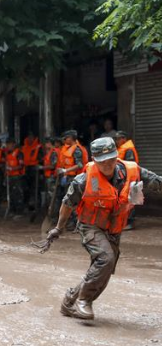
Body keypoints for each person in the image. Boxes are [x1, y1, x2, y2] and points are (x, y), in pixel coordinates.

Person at [46, 137, 162, 320]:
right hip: (90, 225)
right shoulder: (82, 180)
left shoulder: (133, 171)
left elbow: (157, 182)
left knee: (103, 269)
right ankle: (83, 300)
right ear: (94, 160)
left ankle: (69, 302)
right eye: (103, 161)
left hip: (114, 228)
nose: (108, 165)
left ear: (116, 157)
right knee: (105, 259)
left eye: (111, 159)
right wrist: (58, 229)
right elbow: (67, 205)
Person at [57, 130, 89, 229]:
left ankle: (76, 222)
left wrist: (65, 170)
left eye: (66, 138)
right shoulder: (68, 148)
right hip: (69, 177)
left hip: (76, 178)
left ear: (71, 138)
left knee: (74, 200)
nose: (64, 140)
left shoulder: (76, 150)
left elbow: (79, 165)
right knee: (69, 200)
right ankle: (72, 222)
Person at [114, 130, 140, 230]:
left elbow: (129, 165)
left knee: (131, 199)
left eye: (118, 139)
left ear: (123, 139)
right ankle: (124, 221)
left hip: (130, 178)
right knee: (124, 199)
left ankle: (130, 222)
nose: (116, 141)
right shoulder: (121, 149)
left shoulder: (128, 150)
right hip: (124, 178)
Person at [21, 132, 42, 210]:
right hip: (26, 169)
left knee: (35, 188)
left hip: (35, 169)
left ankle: (37, 205)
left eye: (32, 138)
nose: (30, 139)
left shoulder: (38, 147)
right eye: (29, 138)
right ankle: (27, 205)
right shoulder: (24, 147)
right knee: (26, 188)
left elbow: (41, 159)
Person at [4, 138, 25, 216]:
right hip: (9, 176)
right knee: (11, 194)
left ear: (13, 144)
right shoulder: (8, 153)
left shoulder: (19, 153)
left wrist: (12, 168)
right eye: (7, 144)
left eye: (9, 144)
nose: (8, 146)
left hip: (17, 176)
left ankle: (19, 212)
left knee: (18, 194)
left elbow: (21, 165)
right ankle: (12, 210)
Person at [41, 137, 60, 219]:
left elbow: (53, 166)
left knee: (53, 197)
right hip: (49, 176)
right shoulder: (49, 152)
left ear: (49, 143)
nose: (45, 145)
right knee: (50, 197)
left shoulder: (53, 153)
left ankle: (54, 216)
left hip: (52, 177)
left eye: (46, 143)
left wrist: (42, 168)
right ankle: (52, 215)